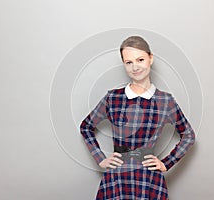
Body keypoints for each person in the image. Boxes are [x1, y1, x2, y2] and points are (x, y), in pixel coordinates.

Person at [80, 36, 195, 199]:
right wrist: (101, 159)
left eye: (140, 59)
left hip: (149, 179)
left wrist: (166, 163)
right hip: (117, 177)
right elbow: (86, 127)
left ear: (150, 58)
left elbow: (188, 135)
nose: (135, 67)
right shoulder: (113, 98)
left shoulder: (165, 101)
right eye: (128, 62)